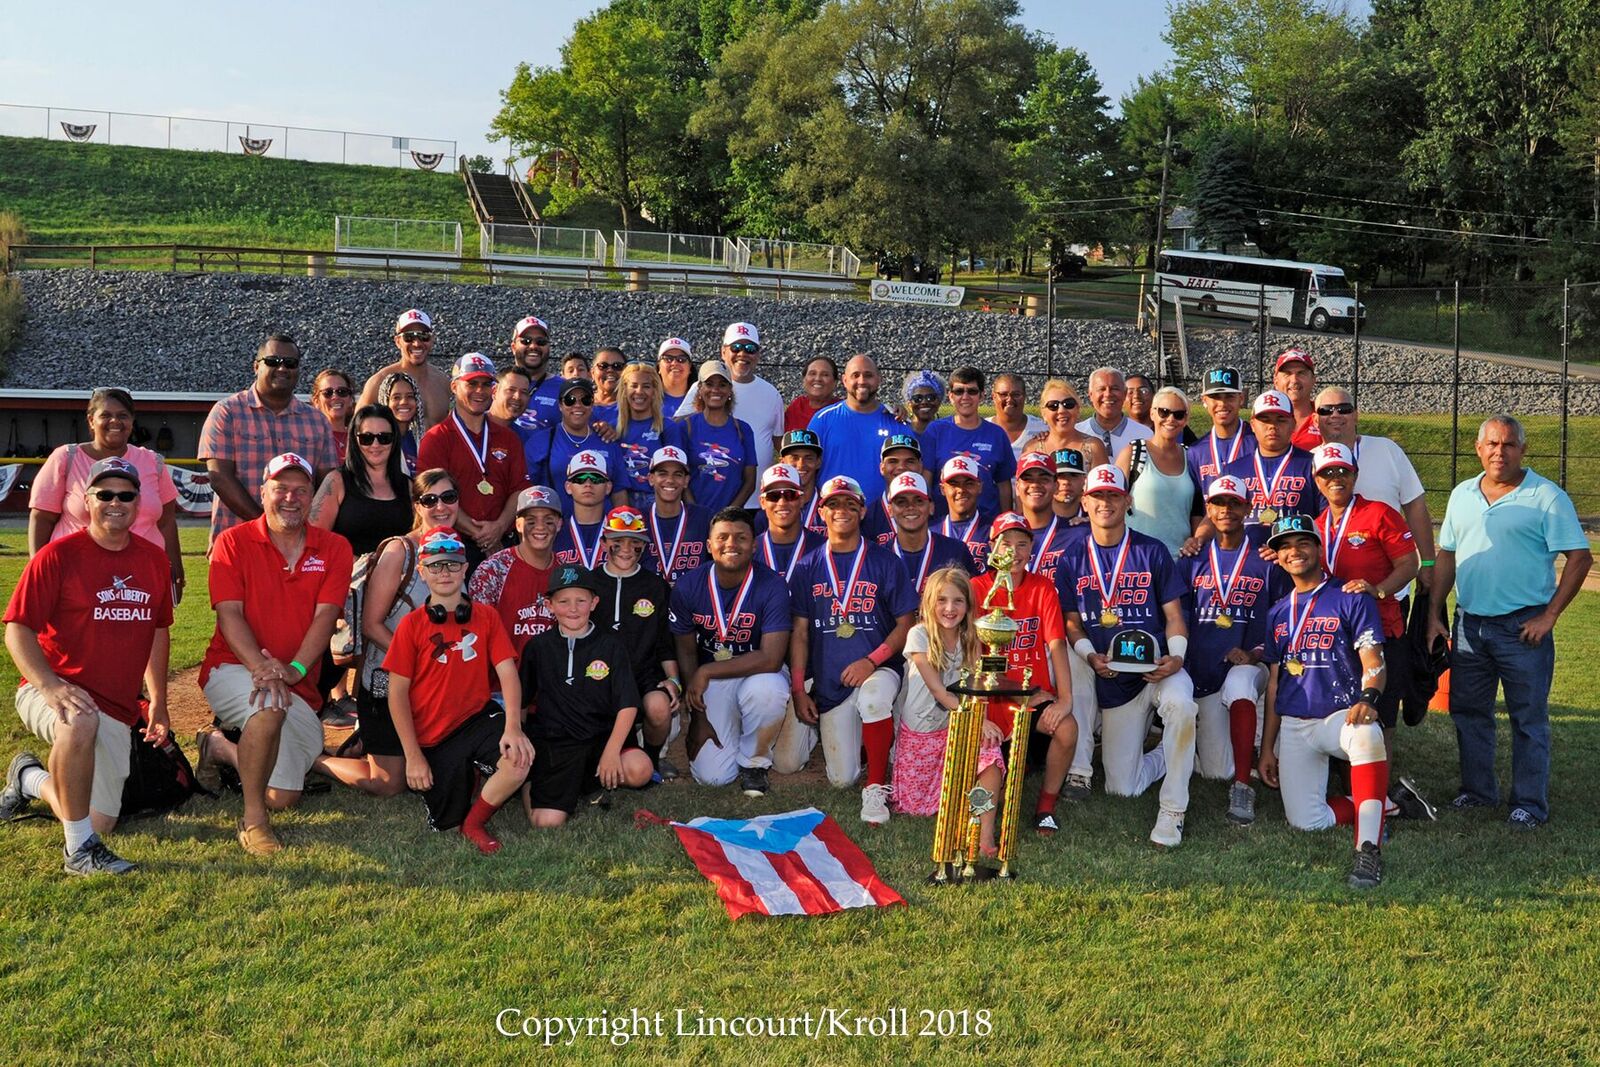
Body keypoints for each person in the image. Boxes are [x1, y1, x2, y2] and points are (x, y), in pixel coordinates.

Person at [0, 457, 172, 875]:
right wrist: (50, 687)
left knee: (100, 819)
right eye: (105, 494)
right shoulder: (57, 556)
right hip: (53, 686)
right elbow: (17, 630)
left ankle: (29, 778)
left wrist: (160, 702)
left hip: (117, 703)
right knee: (78, 721)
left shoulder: (153, 559)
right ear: (85, 500)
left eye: (126, 495)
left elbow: (157, 631)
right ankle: (78, 852)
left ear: (139, 502)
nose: (116, 502)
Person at [193, 453, 364, 855]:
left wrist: (296, 668)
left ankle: (217, 747)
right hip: (233, 667)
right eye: (281, 488)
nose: (291, 498)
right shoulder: (232, 542)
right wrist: (263, 668)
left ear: (311, 497)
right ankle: (253, 822)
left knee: (284, 794)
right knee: (268, 707)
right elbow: (229, 614)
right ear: (263, 491)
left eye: (301, 490)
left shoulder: (334, 547)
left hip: (294, 679)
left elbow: (325, 618)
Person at [1429, 415, 1591, 829]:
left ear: (1522, 449)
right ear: (1478, 448)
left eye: (1509, 445)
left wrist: (1549, 616)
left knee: (1528, 718)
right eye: (1492, 444)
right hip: (1470, 624)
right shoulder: (1463, 494)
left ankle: (1529, 805)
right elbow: (1446, 554)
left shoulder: (1546, 496)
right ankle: (1479, 792)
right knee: (1468, 711)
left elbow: (1579, 557)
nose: (1499, 452)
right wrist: (1435, 613)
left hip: (1522, 628)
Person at [1057, 464, 1197, 848]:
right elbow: (1071, 623)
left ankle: (1173, 810)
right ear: (1084, 502)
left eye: (1113, 495)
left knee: (1182, 706)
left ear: (1128, 501)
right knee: (1123, 788)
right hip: (1113, 676)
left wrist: (1177, 658)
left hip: (1158, 668)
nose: (1106, 503)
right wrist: (1089, 657)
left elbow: (1174, 617)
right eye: (1098, 496)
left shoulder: (1150, 551)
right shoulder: (1070, 559)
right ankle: (1173, 753)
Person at [1258, 514, 1392, 889]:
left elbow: (1373, 660)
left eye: (1302, 543)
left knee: (1367, 734)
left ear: (1319, 548)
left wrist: (1369, 697)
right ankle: (1386, 803)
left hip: (1340, 716)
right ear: (1278, 558)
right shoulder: (1277, 613)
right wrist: (1268, 747)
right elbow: (1274, 684)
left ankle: (1368, 850)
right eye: (1284, 547)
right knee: (1306, 822)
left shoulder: (1349, 596)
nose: (1294, 552)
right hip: (1296, 724)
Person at [384, 528, 534, 853]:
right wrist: (414, 757)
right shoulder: (411, 626)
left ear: (465, 568)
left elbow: (508, 672)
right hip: (433, 737)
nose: (445, 572)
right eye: (435, 566)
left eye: (452, 565)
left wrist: (513, 728)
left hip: (476, 719)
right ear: (422, 572)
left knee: (518, 759)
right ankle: (465, 787)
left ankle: (475, 821)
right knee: (445, 823)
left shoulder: (486, 616)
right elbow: (396, 695)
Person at [783, 475, 917, 823]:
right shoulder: (807, 567)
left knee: (873, 700)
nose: (841, 510)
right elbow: (799, 633)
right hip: (831, 680)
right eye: (833, 505)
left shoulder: (886, 561)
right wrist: (799, 689)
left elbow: (906, 624)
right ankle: (874, 743)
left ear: (862, 510)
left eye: (849, 504)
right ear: (821, 513)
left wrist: (872, 661)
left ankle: (876, 789)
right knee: (841, 778)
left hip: (878, 668)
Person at [1311, 443, 1424, 792]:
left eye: (1343, 471)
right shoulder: (1315, 526)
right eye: (1327, 472)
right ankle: (1348, 786)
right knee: (1345, 710)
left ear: (1355, 475)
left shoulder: (1379, 514)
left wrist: (1379, 590)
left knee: (1381, 715)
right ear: (1316, 480)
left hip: (1382, 629)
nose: (1336, 478)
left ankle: (1377, 794)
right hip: (1338, 637)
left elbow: (1410, 563)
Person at [345, 468, 462, 799]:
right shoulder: (400, 551)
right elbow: (371, 625)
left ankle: (370, 740)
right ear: (417, 506)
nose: (441, 507)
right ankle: (320, 759)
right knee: (390, 784)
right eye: (430, 499)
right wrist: (419, 661)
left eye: (449, 498)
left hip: (435, 686)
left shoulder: (459, 551)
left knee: (443, 774)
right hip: (386, 679)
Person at [1178, 474, 1287, 825]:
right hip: (1204, 670)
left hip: (1249, 664)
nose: (1226, 510)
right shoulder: (1192, 558)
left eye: (1234, 503)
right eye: (1219, 503)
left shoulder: (1266, 561)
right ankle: (1204, 752)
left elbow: (1281, 622)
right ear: (1208, 509)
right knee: (1214, 770)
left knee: (1240, 682)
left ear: (1247, 508)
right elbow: (1179, 618)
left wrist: (1254, 654)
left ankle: (1243, 786)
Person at [669, 508, 793, 795]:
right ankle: (734, 730)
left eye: (741, 537)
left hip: (759, 672)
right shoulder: (689, 585)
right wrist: (698, 719)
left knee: (767, 691)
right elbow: (686, 652)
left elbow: (771, 658)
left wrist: (707, 670)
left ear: (754, 544)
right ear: (709, 545)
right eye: (722, 537)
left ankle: (754, 763)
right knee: (713, 777)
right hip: (714, 681)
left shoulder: (772, 584)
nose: (731, 544)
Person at [521, 565, 655, 826]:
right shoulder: (538, 647)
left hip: (600, 739)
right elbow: (523, 700)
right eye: (563, 601)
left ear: (594, 603)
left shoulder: (611, 645)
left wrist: (612, 752)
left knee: (641, 770)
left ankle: (588, 779)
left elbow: (628, 704)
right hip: (557, 744)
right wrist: (521, 740)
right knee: (547, 823)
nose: (573, 609)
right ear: (549, 605)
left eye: (581, 601)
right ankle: (529, 783)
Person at [973, 513, 1078, 835]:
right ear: (991, 548)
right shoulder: (977, 589)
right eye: (1006, 543)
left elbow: (1057, 645)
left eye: (1022, 544)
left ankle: (1046, 804)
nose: (1014, 552)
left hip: (1033, 698)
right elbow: (976, 656)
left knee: (1067, 728)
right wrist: (998, 696)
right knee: (992, 790)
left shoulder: (1043, 587)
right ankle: (1012, 770)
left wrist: (1065, 700)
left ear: (1032, 549)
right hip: (991, 697)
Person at [28, 387, 184, 599]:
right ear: (91, 420)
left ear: (132, 421)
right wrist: (37, 568)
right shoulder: (67, 458)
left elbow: (166, 521)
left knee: (141, 629)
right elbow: (42, 518)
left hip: (142, 571)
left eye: (122, 416)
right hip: (78, 571)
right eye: (106, 415)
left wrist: (174, 564)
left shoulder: (152, 462)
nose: (115, 422)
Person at [198, 332, 339, 548]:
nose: (282, 368)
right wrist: (268, 527)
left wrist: (294, 532)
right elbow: (220, 478)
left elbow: (328, 484)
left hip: (297, 546)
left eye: (290, 363)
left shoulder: (317, 421)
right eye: (273, 361)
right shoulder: (227, 412)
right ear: (256, 366)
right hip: (238, 544)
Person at [890, 567, 997, 824]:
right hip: (922, 732)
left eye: (958, 600)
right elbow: (938, 691)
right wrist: (977, 719)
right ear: (929, 603)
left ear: (968, 605)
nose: (950, 608)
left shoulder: (970, 638)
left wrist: (979, 720)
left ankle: (983, 826)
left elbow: (977, 686)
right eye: (942, 600)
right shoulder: (919, 635)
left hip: (955, 726)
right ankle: (972, 799)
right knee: (914, 806)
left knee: (990, 753)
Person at [1312, 386, 1435, 585]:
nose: (1335, 415)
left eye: (1344, 409)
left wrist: (1428, 562)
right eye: (1326, 410)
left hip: (1390, 585)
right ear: (1315, 420)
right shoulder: (1308, 460)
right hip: (1330, 590)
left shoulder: (1386, 449)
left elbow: (1415, 506)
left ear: (1356, 415)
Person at [416, 353, 529, 570]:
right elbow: (431, 497)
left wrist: (499, 527)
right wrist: (481, 535)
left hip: (502, 542)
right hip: (453, 545)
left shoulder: (508, 438)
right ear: (454, 386)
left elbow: (519, 489)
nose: (480, 391)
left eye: (486, 384)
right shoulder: (436, 438)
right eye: (472, 383)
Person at [592, 507, 682, 776]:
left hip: (643, 674)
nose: (626, 549)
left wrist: (674, 681)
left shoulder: (655, 586)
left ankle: (652, 759)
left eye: (635, 543)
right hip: (599, 673)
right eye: (617, 541)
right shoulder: (590, 583)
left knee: (658, 707)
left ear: (645, 546)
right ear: (604, 542)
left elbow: (665, 641)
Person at [677, 323, 786, 504]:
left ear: (758, 355)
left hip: (757, 501)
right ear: (723, 352)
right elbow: (677, 426)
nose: (742, 353)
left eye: (750, 348)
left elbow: (778, 440)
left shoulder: (772, 393)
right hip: (701, 500)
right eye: (736, 347)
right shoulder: (700, 387)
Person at [1210, 390, 1320, 549]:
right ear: (1253, 425)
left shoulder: (1311, 465)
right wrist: (1198, 538)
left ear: (1293, 424)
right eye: (1265, 420)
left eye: (1280, 420)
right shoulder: (1232, 470)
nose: (1272, 427)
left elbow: (1325, 520)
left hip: (1293, 558)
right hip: (1246, 559)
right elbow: (1216, 517)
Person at [468, 484, 561, 661]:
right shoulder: (492, 571)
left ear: (559, 524)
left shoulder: (566, 573)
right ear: (518, 524)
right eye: (531, 521)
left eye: (548, 521)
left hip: (552, 683)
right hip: (501, 683)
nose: (540, 527)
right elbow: (478, 636)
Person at [309, 405, 412, 557]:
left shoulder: (408, 486)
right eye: (366, 438)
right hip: (346, 574)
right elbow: (314, 537)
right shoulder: (337, 481)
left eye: (384, 438)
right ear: (355, 440)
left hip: (398, 576)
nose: (375, 445)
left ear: (394, 440)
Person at [809, 354, 907, 503]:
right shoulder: (822, 420)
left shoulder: (896, 421)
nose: (862, 381)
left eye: (868, 375)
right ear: (844, 380)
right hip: (836, 515)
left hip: (884, 517)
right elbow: (807, 468)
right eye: (855, 375)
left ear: (879, 379)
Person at [922, 366, 1016, 518]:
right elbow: (926, 475)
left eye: (972, 391)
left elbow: (1003, 485)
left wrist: (1005, 522)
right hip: (943, 522)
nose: (965, 397)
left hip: (985, 525)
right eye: (959, 391)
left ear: (982, 396)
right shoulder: (935, 431)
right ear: (950, 396)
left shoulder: (997, 434)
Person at [1118, 386, 1199, 558]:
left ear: (1186, 419)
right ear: (1152, 414)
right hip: (1137, 559)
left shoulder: (1191, 457)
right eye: (1164, 412)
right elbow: (1110, 498)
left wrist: (1197, 539)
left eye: (1178, 414)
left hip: (1179, 561)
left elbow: (1198, 511)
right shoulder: (1133, 452)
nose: (1170, 419)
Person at [535, 377, 626, 515]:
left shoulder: (607, 439)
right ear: (560, 405)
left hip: (602, 531)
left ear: (592, 404)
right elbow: (529, 489)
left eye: (585, 400)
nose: (578, 405)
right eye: (570, 400)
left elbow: (619, 492)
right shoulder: (542, 441)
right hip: (557, 528)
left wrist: (621, 524)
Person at [682, 360, 757, 514]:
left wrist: (728, 515)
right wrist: (696, 513)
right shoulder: (685, 427)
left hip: (731, 520)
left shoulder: (743, 429)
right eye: (709, 384)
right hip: (693, 516)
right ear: (700, 389)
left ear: (730, 390)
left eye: (722, 384)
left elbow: (750, 482)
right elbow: (679, 476)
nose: (716, 389)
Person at [358, 309, 450, 432]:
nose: (417, 343)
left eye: (424, 336)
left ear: (432, 339)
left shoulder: (442, 382)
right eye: (409, 337)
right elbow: (357, 429)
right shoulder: (379, 382)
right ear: (397, 341)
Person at [885, 471, 974, 592]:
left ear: (931, 507)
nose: (911, 507)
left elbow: (972, 599)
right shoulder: (880, 556)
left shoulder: (956, 551)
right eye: (901, 502)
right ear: (890, 509)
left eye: (918, 501)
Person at [615, 363, 686, 510]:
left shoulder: (667, 427)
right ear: (624, 390)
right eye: (633, 386)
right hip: (620, 498)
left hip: (655, 498)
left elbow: (678, 469)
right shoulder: (613, 427)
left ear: (655, 391)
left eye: (646, 386)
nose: (639, 391)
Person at [642, 446, 711, 584]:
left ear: (686, 480)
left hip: (693, 599)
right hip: (647, 601)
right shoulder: (638, 519)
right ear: (651, 479)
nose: (670, 480)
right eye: (663, 473)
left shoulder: (705, 517)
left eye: (677, 474)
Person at [1014, 451, 1082, 583]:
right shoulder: (1003, 536)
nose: (1035, 485)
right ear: (1017, 487)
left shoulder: (1078, 535)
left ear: (1056, 486)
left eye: (1043, 479)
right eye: (1028, 479)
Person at [755, 463, 825, 585]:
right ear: (762, 502)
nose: (782, 502)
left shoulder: (824, 548)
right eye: (773, 496)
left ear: (802, 499)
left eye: (790, 495)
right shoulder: (750, 550)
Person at [1188, 366, 1255, 489]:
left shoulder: (1258, 442)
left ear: (1241, 399)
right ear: (1204, 400)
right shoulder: (1195, 451)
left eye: (1229, 396)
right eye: (1215, 397)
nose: (1222, 404)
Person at [1022, 379, 1110, 469]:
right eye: (1053, 405)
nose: (1061, 410)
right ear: (1043, 414)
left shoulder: (1094, 447)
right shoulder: (1032, 448)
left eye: (1068, 404)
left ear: (1078, 409)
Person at [552, 452, 614, 570]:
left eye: (596, 479)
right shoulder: (554, 531)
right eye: (580, 479)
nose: (588, 484)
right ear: (568, 487)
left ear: (608, 487)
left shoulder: (620, 531)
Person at [862, 433, 926, 546]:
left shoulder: (932, 509)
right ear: (882, 468)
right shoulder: (868, 517)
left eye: (910, 461)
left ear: (920, 466)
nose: (901, 467)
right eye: (893, 461)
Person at [1077, 367, 1154, 459]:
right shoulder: (1076, 433)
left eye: (1115, 388)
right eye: (1101, 389)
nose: (1108, 394)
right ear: (1090, 395)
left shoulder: (1145, 435)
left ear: (1124, 394)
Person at [935, 454, 993, 573]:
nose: (961, 490)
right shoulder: (931, 531)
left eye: (968, 483)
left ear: (979, 487)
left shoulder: (993, 530)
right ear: (942, 489)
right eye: (954, 484)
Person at [508, 314, 565, 432]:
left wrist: (601, 427)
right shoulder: (497, 386)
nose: (533, 346)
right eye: (526, 341)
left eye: (541, 342)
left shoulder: (565, 388)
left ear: (549, 348)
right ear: (513, 347)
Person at [988, 372, 1047, 464]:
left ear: (1024, 397)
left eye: (1016, 395)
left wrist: (1052, 437)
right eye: (1003, 394)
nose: (1010, 399)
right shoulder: (981, 428)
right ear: (994, 397)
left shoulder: (1042, 429)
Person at [778, 428, 828, 537]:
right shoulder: (773, 506)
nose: (801, 465)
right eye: (794, 458)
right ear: (782, 462)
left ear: (818, 462)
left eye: (808, 458)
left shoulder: (829, 506)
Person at [1272, 346, 1322, 452]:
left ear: (1313, 380)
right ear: (1276, 381)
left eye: (1301, 373)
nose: (1294, 380)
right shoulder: (1265, 418)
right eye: (1287, 374)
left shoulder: (1325, 418)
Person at [378, 371, 426, 475]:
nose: (404, 402)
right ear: (386, 401)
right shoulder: (378, 442)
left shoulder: (420, 440)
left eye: (410, 396)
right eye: (396, 397)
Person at [311, 369, 356, 463]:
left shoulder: (362, 438)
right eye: (328, 393)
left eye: (342, 391)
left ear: (351, 399)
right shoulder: (311, 439)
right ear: (316, 402)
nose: (335, 397)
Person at [786, 357, 840, 433]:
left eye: (825, 375)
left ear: (835, 382)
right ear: (804, 380)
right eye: (812, 373)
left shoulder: (842, 411)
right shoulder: (797, 406)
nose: (818, 379)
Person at [489, 365, 536, 447]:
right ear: (494, 392)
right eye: (511, 390)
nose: (517, 397)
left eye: (524, 392)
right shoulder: (473, 428)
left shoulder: (524, 439)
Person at [899, 369, 945, 437]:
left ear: (939, 401)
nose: (924, 402)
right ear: (909, 404)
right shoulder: (900, 433)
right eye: (917, 398)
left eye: (930, 397)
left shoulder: (948, 433)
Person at [656, 337, 694, 418]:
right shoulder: (646, 400)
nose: (674, 363)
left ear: (690, 367)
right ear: (659, 366)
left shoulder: (701, 401)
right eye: (668, 359)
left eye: (681, 359)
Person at [589, 346, 626, 426]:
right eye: (603, 366)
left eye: (617, 366)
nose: (610, 370)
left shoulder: (634, 406)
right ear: (592, 373)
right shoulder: (579, 404)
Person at [1052, 447, 1090, 522]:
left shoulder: (1095, 519)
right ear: (1048, 480)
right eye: (1059, 475)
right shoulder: (1035, 515)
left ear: (1084, 480)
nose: (1066, 482)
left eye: (1073, 475)